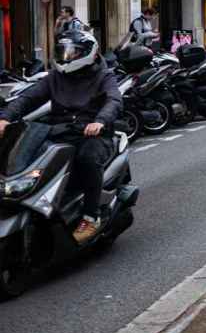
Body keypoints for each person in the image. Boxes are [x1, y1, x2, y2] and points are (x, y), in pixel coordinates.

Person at [0, 30, 122, 244]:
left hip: (92, 134)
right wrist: (5, 118)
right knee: (28, 157)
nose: (67, 57)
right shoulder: (55, 77)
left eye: (73, 53)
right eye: (64, 52)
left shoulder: (104, 76)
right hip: (60, 131)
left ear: (89, 53)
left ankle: (90, 216)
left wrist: (100, 121)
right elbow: (28, 98)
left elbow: (114, 101)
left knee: (88, 159)